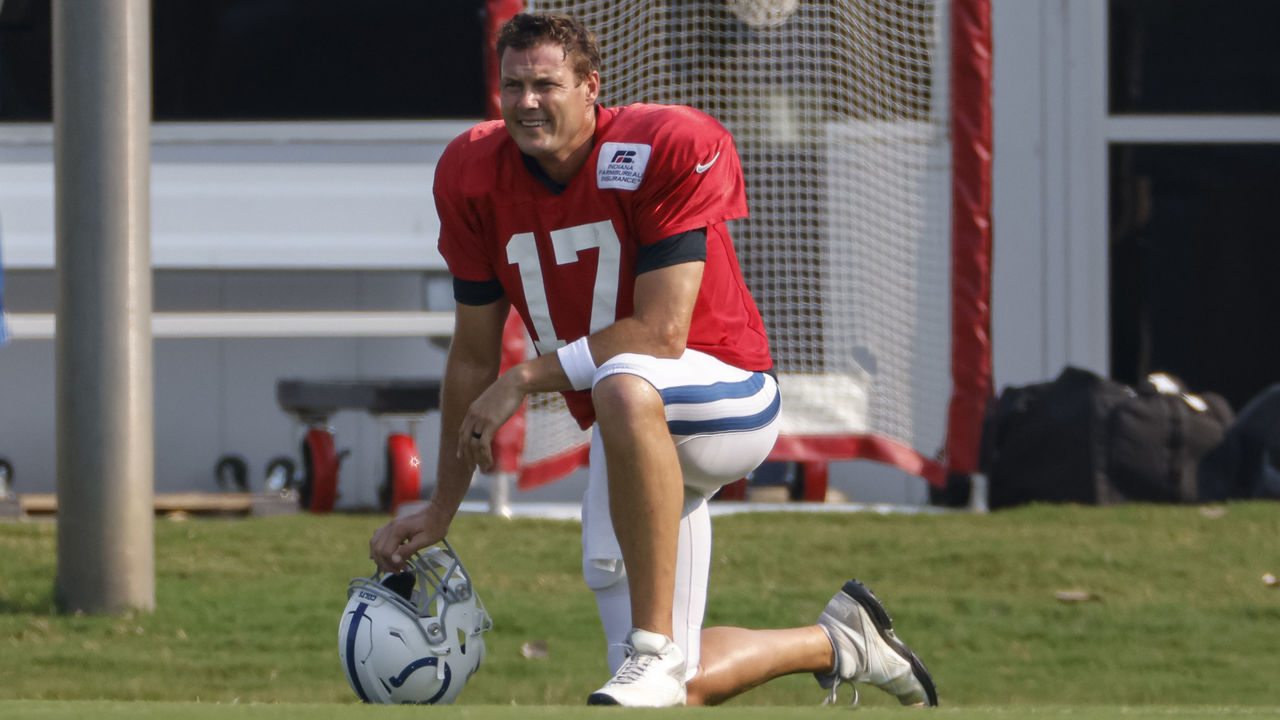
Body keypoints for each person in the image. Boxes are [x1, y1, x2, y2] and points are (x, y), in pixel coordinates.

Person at [369, 12, 937, 708]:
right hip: (628, 427)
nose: (526, 102)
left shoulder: (663, 145)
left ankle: (654, 644)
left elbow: (662, 334)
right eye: (513, 86)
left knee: (625, 383)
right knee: (666, 691)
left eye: (546, 84)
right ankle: (842, 641)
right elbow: (470, 358)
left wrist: (525, 377)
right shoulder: (471, 174)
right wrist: (440, 509)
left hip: (726, 393)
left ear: (590, 87)